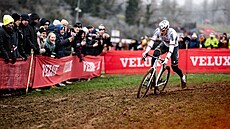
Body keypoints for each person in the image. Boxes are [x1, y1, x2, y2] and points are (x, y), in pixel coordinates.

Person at [142, 20, 186, 89]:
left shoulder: (172, 33)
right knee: (155, 53)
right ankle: (152, 73)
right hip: (164, 45)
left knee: (174, 67)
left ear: (167, 29)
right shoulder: (157, 31)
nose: (161, 32)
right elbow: (152, 41)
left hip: (173, 47)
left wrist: (166, 59)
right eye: (161, 30)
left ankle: (182, 77)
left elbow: (171, 49)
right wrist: (146, 51)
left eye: (163, 31)